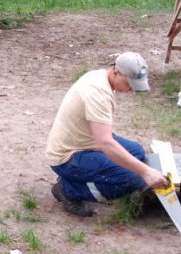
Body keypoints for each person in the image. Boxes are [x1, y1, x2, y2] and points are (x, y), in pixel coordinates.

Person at [46, 52, 169, 217]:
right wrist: (146, 172)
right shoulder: (98, 94)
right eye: (130, 83)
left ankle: (78, 178)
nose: (131, 89)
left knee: (137, 152)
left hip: (86, 141)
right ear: (116, 71)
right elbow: (105, 143)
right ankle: (68, 189)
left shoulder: (101, 76)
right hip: (67, 157)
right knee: (131, 180)